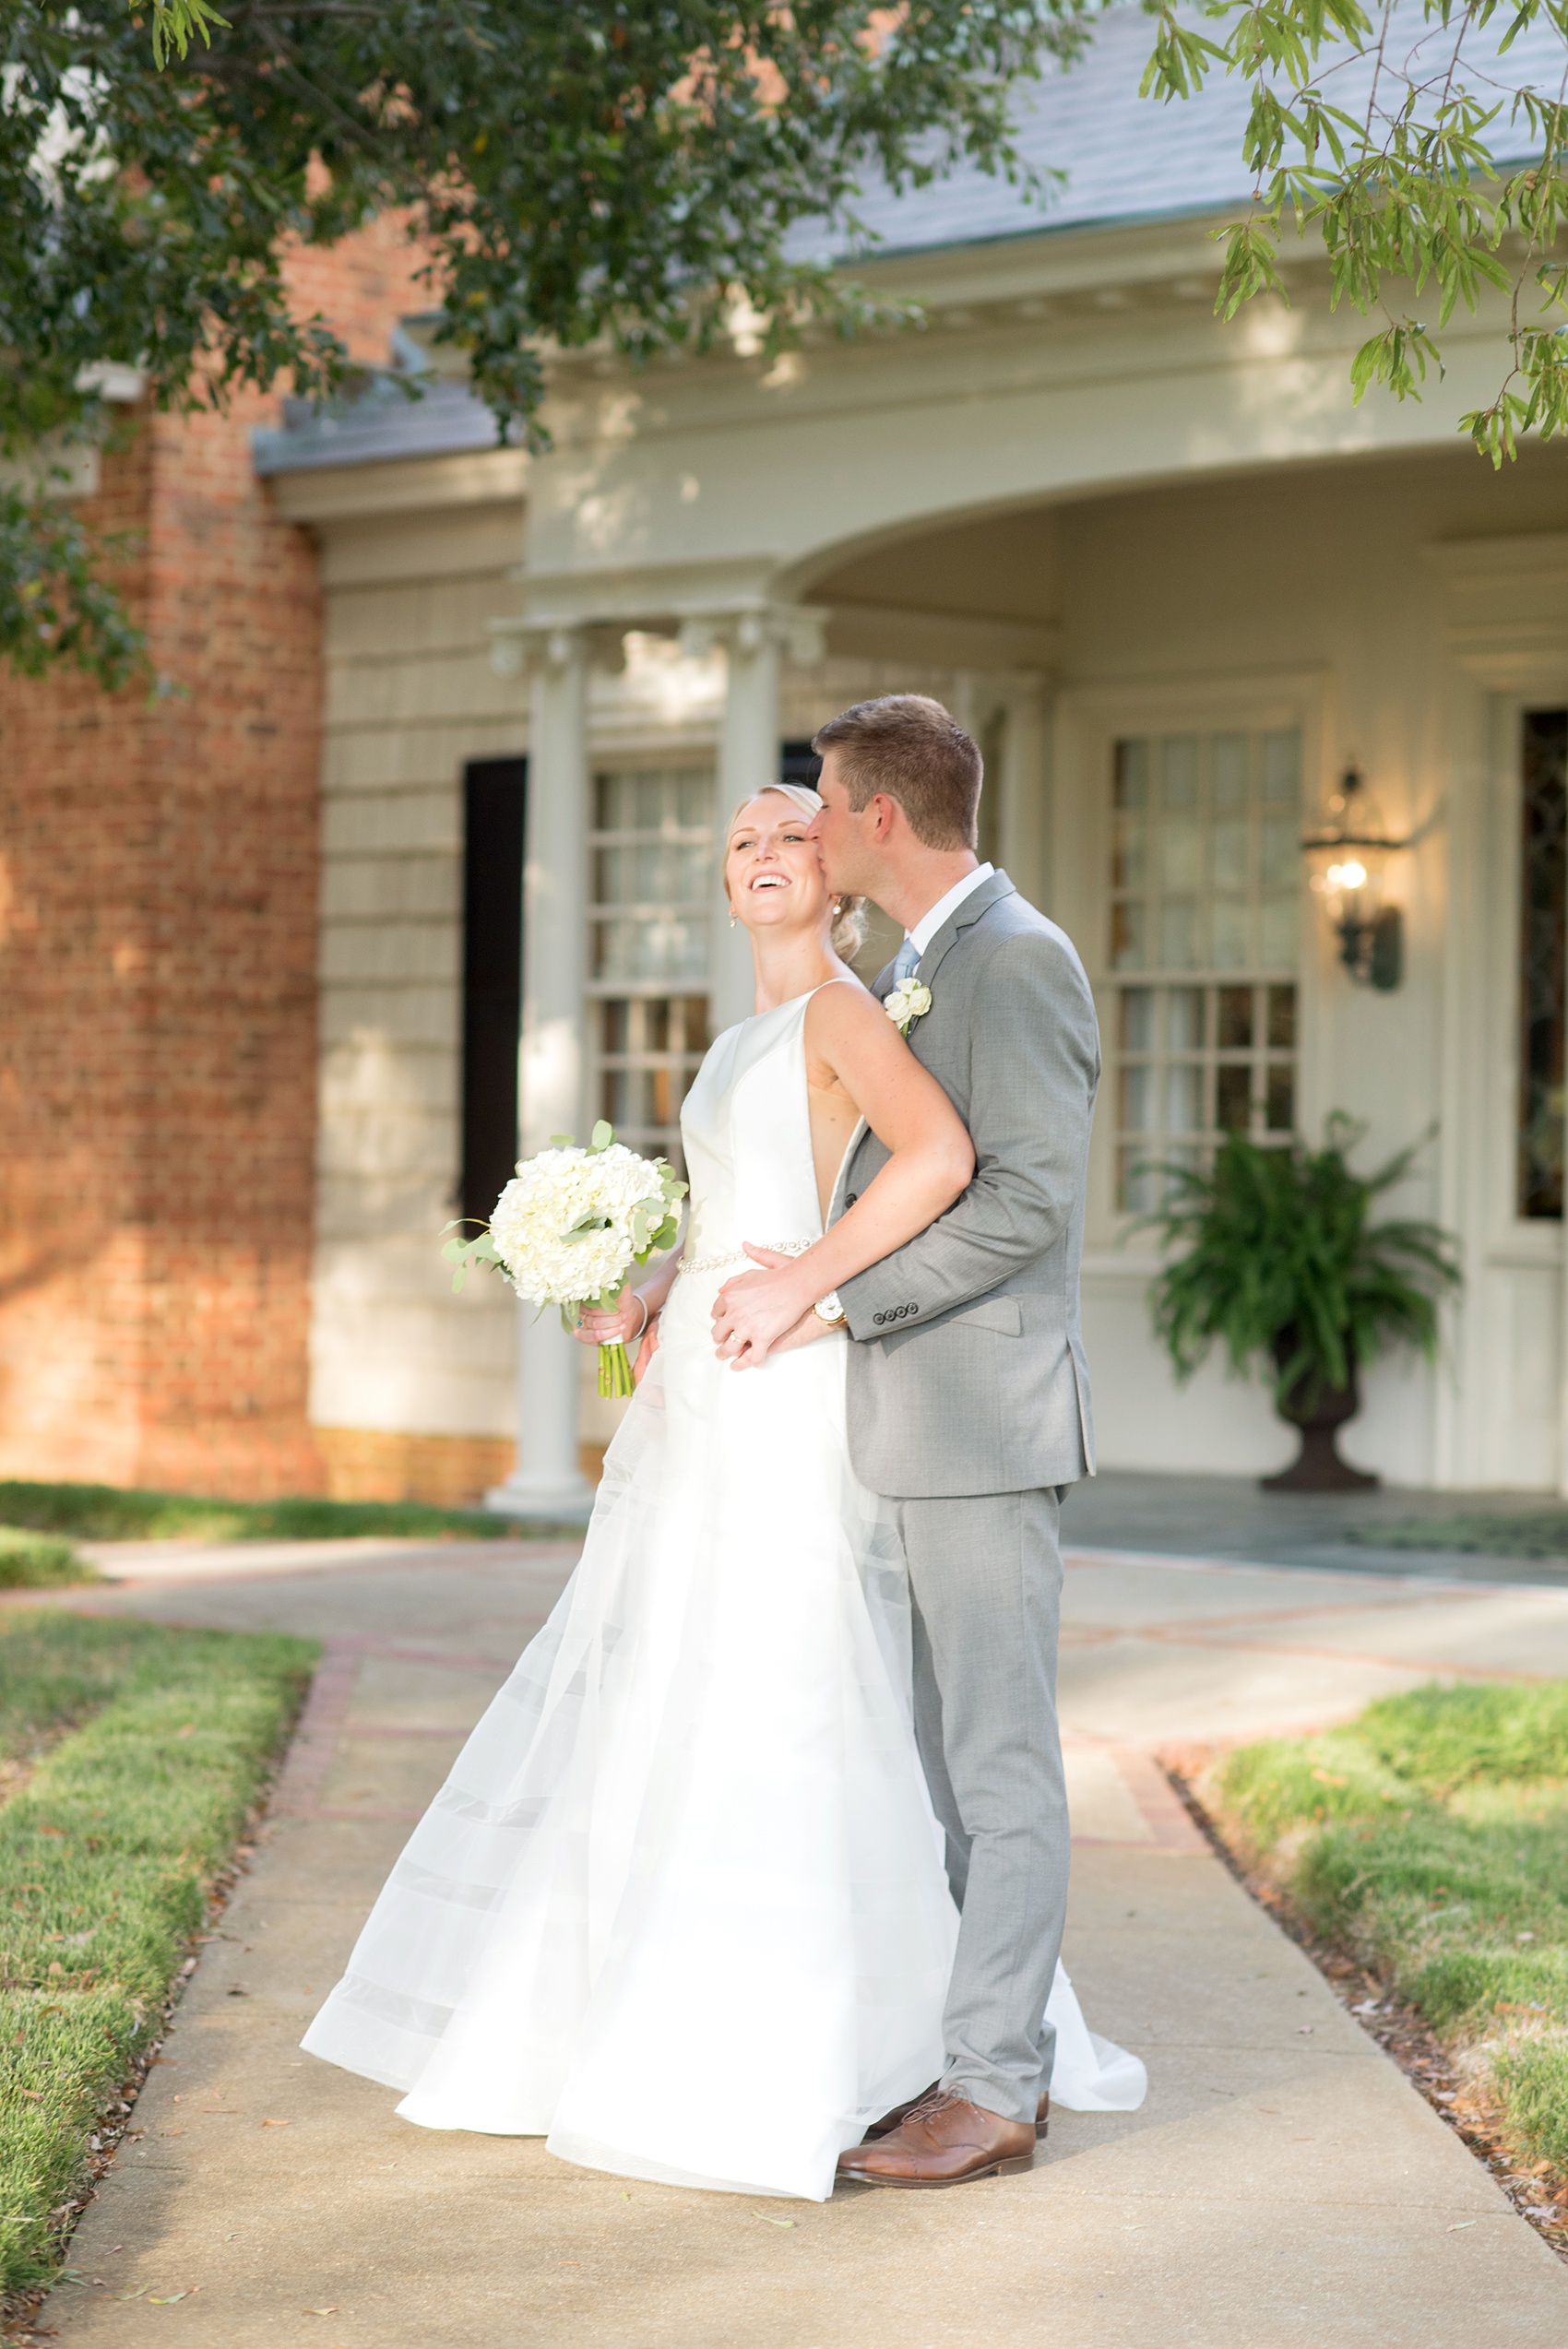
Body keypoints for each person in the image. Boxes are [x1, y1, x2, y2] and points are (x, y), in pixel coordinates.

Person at [302, 740, 1140, 2201]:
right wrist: (655, 1283)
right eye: (740, 839)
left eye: (793, 825)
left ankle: (969, 2073)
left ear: (851, 848)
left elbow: (959, 1179)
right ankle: (705, 2019)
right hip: (717, 1386)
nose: (765, 847)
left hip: (867, 1397)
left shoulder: (887, 995)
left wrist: (808, 1291)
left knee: (891, 1727)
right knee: (692, 1689)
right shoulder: (748, 1032)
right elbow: (780, 1193)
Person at [709, 694, 1104, 2187]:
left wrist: (832, 1303)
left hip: (985, 1421)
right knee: (942, 1773)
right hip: (909, 1424)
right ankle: (973, 2055)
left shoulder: (1019, 961)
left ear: (877, 819)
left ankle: (996, 2091)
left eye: (817, 803)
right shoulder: (928, 966)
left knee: (997, 1771)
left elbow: (1022, 1205)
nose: (802, 827)